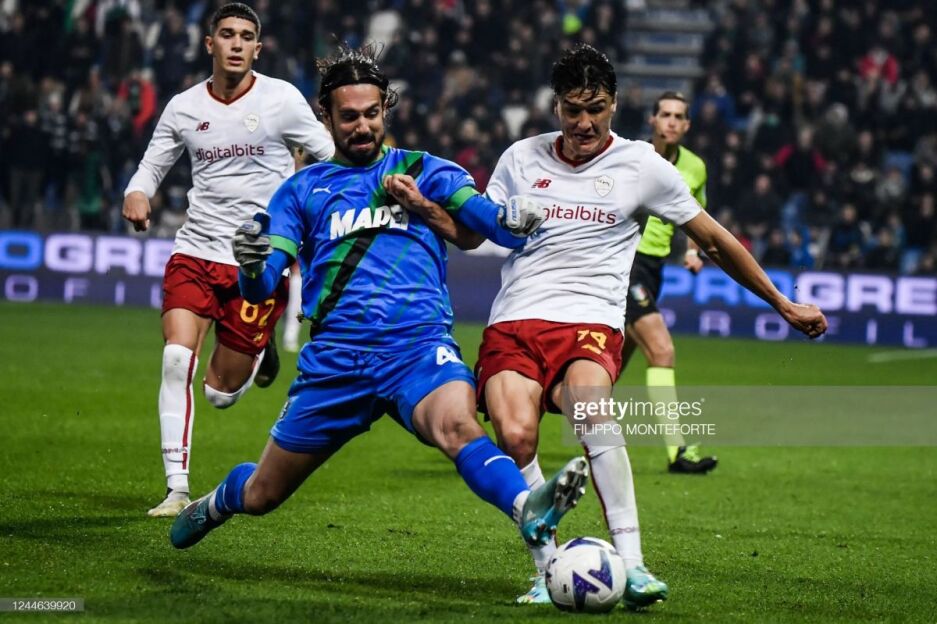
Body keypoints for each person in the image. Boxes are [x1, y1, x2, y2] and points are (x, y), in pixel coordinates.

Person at [408, 44, 827, 608]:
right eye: (573, 109)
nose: (584, 123)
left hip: (591, 319)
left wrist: (781, 302)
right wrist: (425, 208)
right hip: (515, 320)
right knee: (515, 434)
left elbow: (713, 240)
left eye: (596, 108)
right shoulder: (520, 158)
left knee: (591, 410)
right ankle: (549, 568)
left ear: (614, 104)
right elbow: (475, 234)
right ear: (556, 106)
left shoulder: (642, 166)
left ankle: (632, 564)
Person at [169, 44, 590, 571]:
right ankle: (220, 500)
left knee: (458, 426)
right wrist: (251, 267)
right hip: (336, 363)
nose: (363, 126)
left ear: (385, 109)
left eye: (372, 113)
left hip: (416, 349)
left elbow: (489, 223)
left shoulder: (424, 170)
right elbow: (261, 290)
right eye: (349, 117)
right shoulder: (301, 191)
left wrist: (513, 218)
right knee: (263, 495)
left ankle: (527, 506)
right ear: (326, 118)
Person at [121, 3, 335, 518]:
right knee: (176, 359)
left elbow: (330, 154)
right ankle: (176, 488)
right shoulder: (183, 107)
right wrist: (137, 191)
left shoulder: (281, 99)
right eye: (226, 34)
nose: (236, 43)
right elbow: (152, 164)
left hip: (257, 263)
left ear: (257, 48)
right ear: (209, 44)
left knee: (220, 393)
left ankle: (261, 351)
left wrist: (311, 209)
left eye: (245, 36)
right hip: (195, 250)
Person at [622, 91, 717, 474]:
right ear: (653, 120)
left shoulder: (695, 167)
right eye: (665, 114)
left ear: (687, 124)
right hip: (626, 263)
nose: (672, 121)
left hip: (654, 268)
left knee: (607, 368)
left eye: (679, 116)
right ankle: (678, 451)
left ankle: (525, 398)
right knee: (661, 351)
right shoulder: (632, 158)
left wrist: (693, 251)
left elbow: (696, 213)